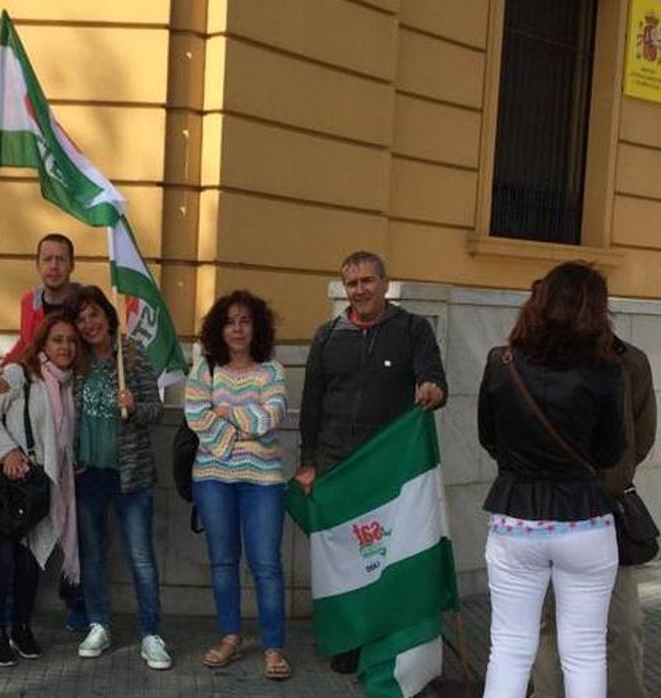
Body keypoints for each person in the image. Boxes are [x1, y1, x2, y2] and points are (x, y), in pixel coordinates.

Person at [478, 262, 625, 697]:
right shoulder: (605, 371)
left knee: (507, 648)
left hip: (514, 517)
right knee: (583, 651)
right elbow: (609, 451)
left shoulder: (500, 363)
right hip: (585, 519)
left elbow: (489, 437)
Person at [297, 250, 447, 676]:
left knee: (381, 556)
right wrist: (307, 463)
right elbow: (312, 405)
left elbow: (433, 376)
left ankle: (382, 638)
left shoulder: (413, 329)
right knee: (342, 561)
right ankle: (348, 639)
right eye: (352, 283)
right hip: (336, 468)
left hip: (387, 470)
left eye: (367, 281)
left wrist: (432, 389)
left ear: (385, 283)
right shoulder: (327, 336)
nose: (360, 290)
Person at [531, 333, 655, 698]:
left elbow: (641, 436)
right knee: (550, 624)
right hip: (546, 512)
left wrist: (611, 476)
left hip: (607, 511)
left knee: (622, 622)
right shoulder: (526, 360)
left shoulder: (629, 361)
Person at [184, 290, 291, 680]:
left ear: (257, 325)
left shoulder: (272, 370)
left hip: (263, 481)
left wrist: (228, 413)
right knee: (223, 562)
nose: (238, 328)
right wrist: (240, 435)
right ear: (219, 327)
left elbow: (273, 416)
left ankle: (274, 647)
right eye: (230, 321)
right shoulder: (206, 368)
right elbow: (196, 414)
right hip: (213, 480)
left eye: (245, 320)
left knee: (266, 565)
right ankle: (230, 636)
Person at [63, 286, 171, 670]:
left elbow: (156, 412)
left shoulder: (134, 357)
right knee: (92, 554)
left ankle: (151, 633)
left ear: (108, 316)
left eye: (94, 315)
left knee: (140, 556)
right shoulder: (77, 363)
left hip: (130, 476)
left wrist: (135, 406)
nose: (88, 324)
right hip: (88, 474)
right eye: (81, 319)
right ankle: (99, 623)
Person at [0, 314, 81, 667]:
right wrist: (9, 451)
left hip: (43, 487)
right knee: (2, 559)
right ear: (42, 344)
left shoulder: (68, 384)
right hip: (11, 482)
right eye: (57, 339)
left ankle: (20, 627)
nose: (65, 346)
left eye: (71, 341)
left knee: (31, 562)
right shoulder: (18, 375)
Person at [1, 232, 79, 364]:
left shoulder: (86, 303)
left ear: (71, 265)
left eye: (60, 259)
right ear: (37, 265)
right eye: (47, 259)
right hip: (37, 379)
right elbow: (25, 345)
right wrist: (0, 370)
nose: (54, 266)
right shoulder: (29, 301)